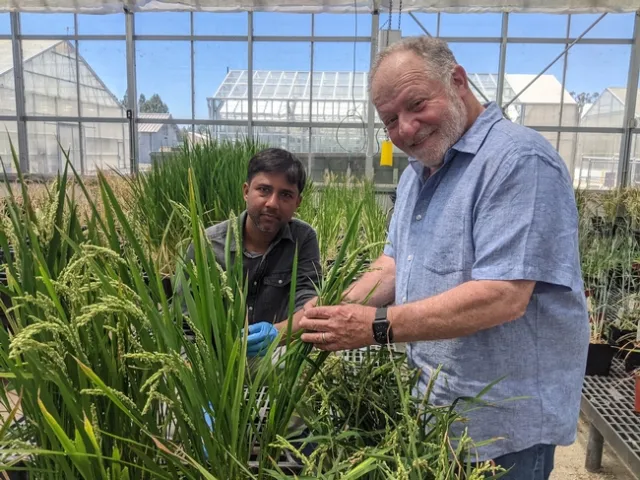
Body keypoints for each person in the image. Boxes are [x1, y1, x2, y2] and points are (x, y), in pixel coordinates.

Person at [299, 36, 589, 479]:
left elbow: (503, 295)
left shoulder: (517, 161)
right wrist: (335, 306)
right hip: (437, 415)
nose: (407, 129)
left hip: (501, 429)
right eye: (390, 120)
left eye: (416, 104)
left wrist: (374, 327)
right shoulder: (419, 176)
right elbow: (395, 263)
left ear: (457, 81)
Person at [184, 147, 321, 356]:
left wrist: (277, 333)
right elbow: (186, 322)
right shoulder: (206, 245)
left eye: (285, 195)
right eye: (264, 190)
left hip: (277, 353)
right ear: (246, 191)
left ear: (297, 203)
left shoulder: (303, 239)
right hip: (217, 359)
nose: (272, 203)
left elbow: (310, 305)